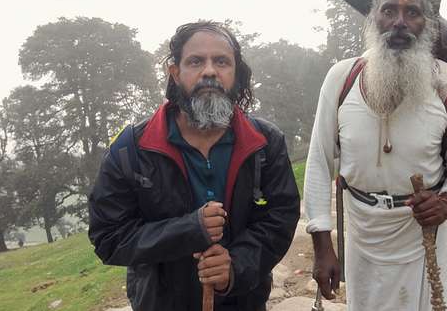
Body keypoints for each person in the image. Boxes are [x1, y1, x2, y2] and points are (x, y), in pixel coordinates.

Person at [88, 21, 300, 311]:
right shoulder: (130, 150)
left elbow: (280, 218)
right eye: (196, 61)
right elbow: (108, 237)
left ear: (235, 72)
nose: (210, 71)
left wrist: (235, 267)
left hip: (244, 300)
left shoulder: (265, 143)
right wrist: (188, 230)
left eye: (222, 61)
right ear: (175, 73)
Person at [304, 0, 447, 310]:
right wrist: (322, 245)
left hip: (423, 238)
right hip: (361, 238)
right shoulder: (342, 78)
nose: (399, 22)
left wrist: (446, 203)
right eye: (388, 11)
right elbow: (318, 162)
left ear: (427, 24)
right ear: (374, 17)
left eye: (412, 13)